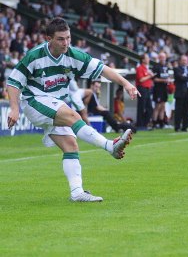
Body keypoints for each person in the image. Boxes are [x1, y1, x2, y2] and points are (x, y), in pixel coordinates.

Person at [7, 17, 140, 202]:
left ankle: (77, 192)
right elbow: (13, 82)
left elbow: (102, 69)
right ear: (48, 39)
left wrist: (126, 84)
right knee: (72, 115)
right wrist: (14, 108)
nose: (66, 43)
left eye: (68, 38)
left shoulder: (73, 55)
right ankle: (110, 146)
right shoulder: (34, 56)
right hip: (34, 101)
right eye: (61, 39)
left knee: (71, 145)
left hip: (55, 102)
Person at [173, 54, 188, 132]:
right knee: (179, 110)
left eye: (186, 60)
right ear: (180, 61)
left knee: (187, 110)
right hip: (180, 92)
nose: (185, 61)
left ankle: (185, 126)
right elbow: (181, 77)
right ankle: (177, 126)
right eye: (183, 60)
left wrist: (186, 75)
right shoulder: (177, 69)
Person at [151, 52, 171, 128]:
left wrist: (168, 80)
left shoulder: (166, 67)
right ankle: (154, 122)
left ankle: (161, 122)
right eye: (161, 57)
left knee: (163, 105)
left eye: (164, 57)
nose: (163, 59)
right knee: (157, 106)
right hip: (158, 89)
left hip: (164, 88)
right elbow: (154, 79)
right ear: (159, 58)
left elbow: (167, 77)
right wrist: (163, 80)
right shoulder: (156, 67)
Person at [135, 54, 154, 130]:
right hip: (142, 89)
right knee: (141, 107)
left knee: (149, 108)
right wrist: (150, 76)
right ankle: (140, 125)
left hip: (147, 89)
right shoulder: (140, 68)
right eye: (147, 58)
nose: (149, 59)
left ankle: (144, 124)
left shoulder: (147, 69)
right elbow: (141, 79)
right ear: (143, 60)